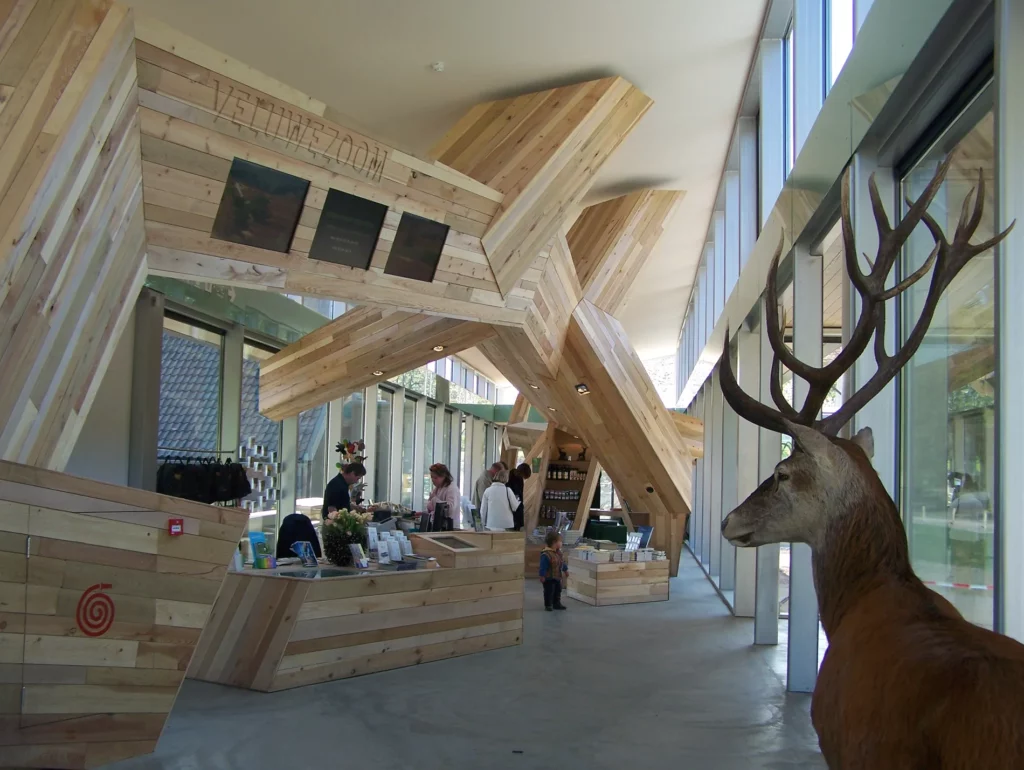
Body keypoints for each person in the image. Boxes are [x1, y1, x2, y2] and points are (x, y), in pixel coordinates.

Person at [539, 530, 568, 611]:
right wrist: (542, 575)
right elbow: (543, 566)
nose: (561, 543)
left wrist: (566, 570)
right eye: (560, 541)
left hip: (557, 577)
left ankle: (556, 603)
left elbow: (562, 562)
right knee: (549, 592)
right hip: (548, 578)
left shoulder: (559, 553)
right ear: (554, 542)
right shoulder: (546, 554)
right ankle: (548, 605)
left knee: (558, 590)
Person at [427, 463, 462, 529]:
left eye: (435, 478)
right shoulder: (437, 488)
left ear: (443, 476)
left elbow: (450, 509)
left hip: (450, 528)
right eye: (431, 477)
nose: (433, 480)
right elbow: (430, 505)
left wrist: (434, 499)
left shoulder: (452, 489)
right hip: (439, 525)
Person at [508, 463, 531, 531]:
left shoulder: (518, 478)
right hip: (513, 507)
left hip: (517, 505)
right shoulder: (510, 477)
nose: (523, 478)